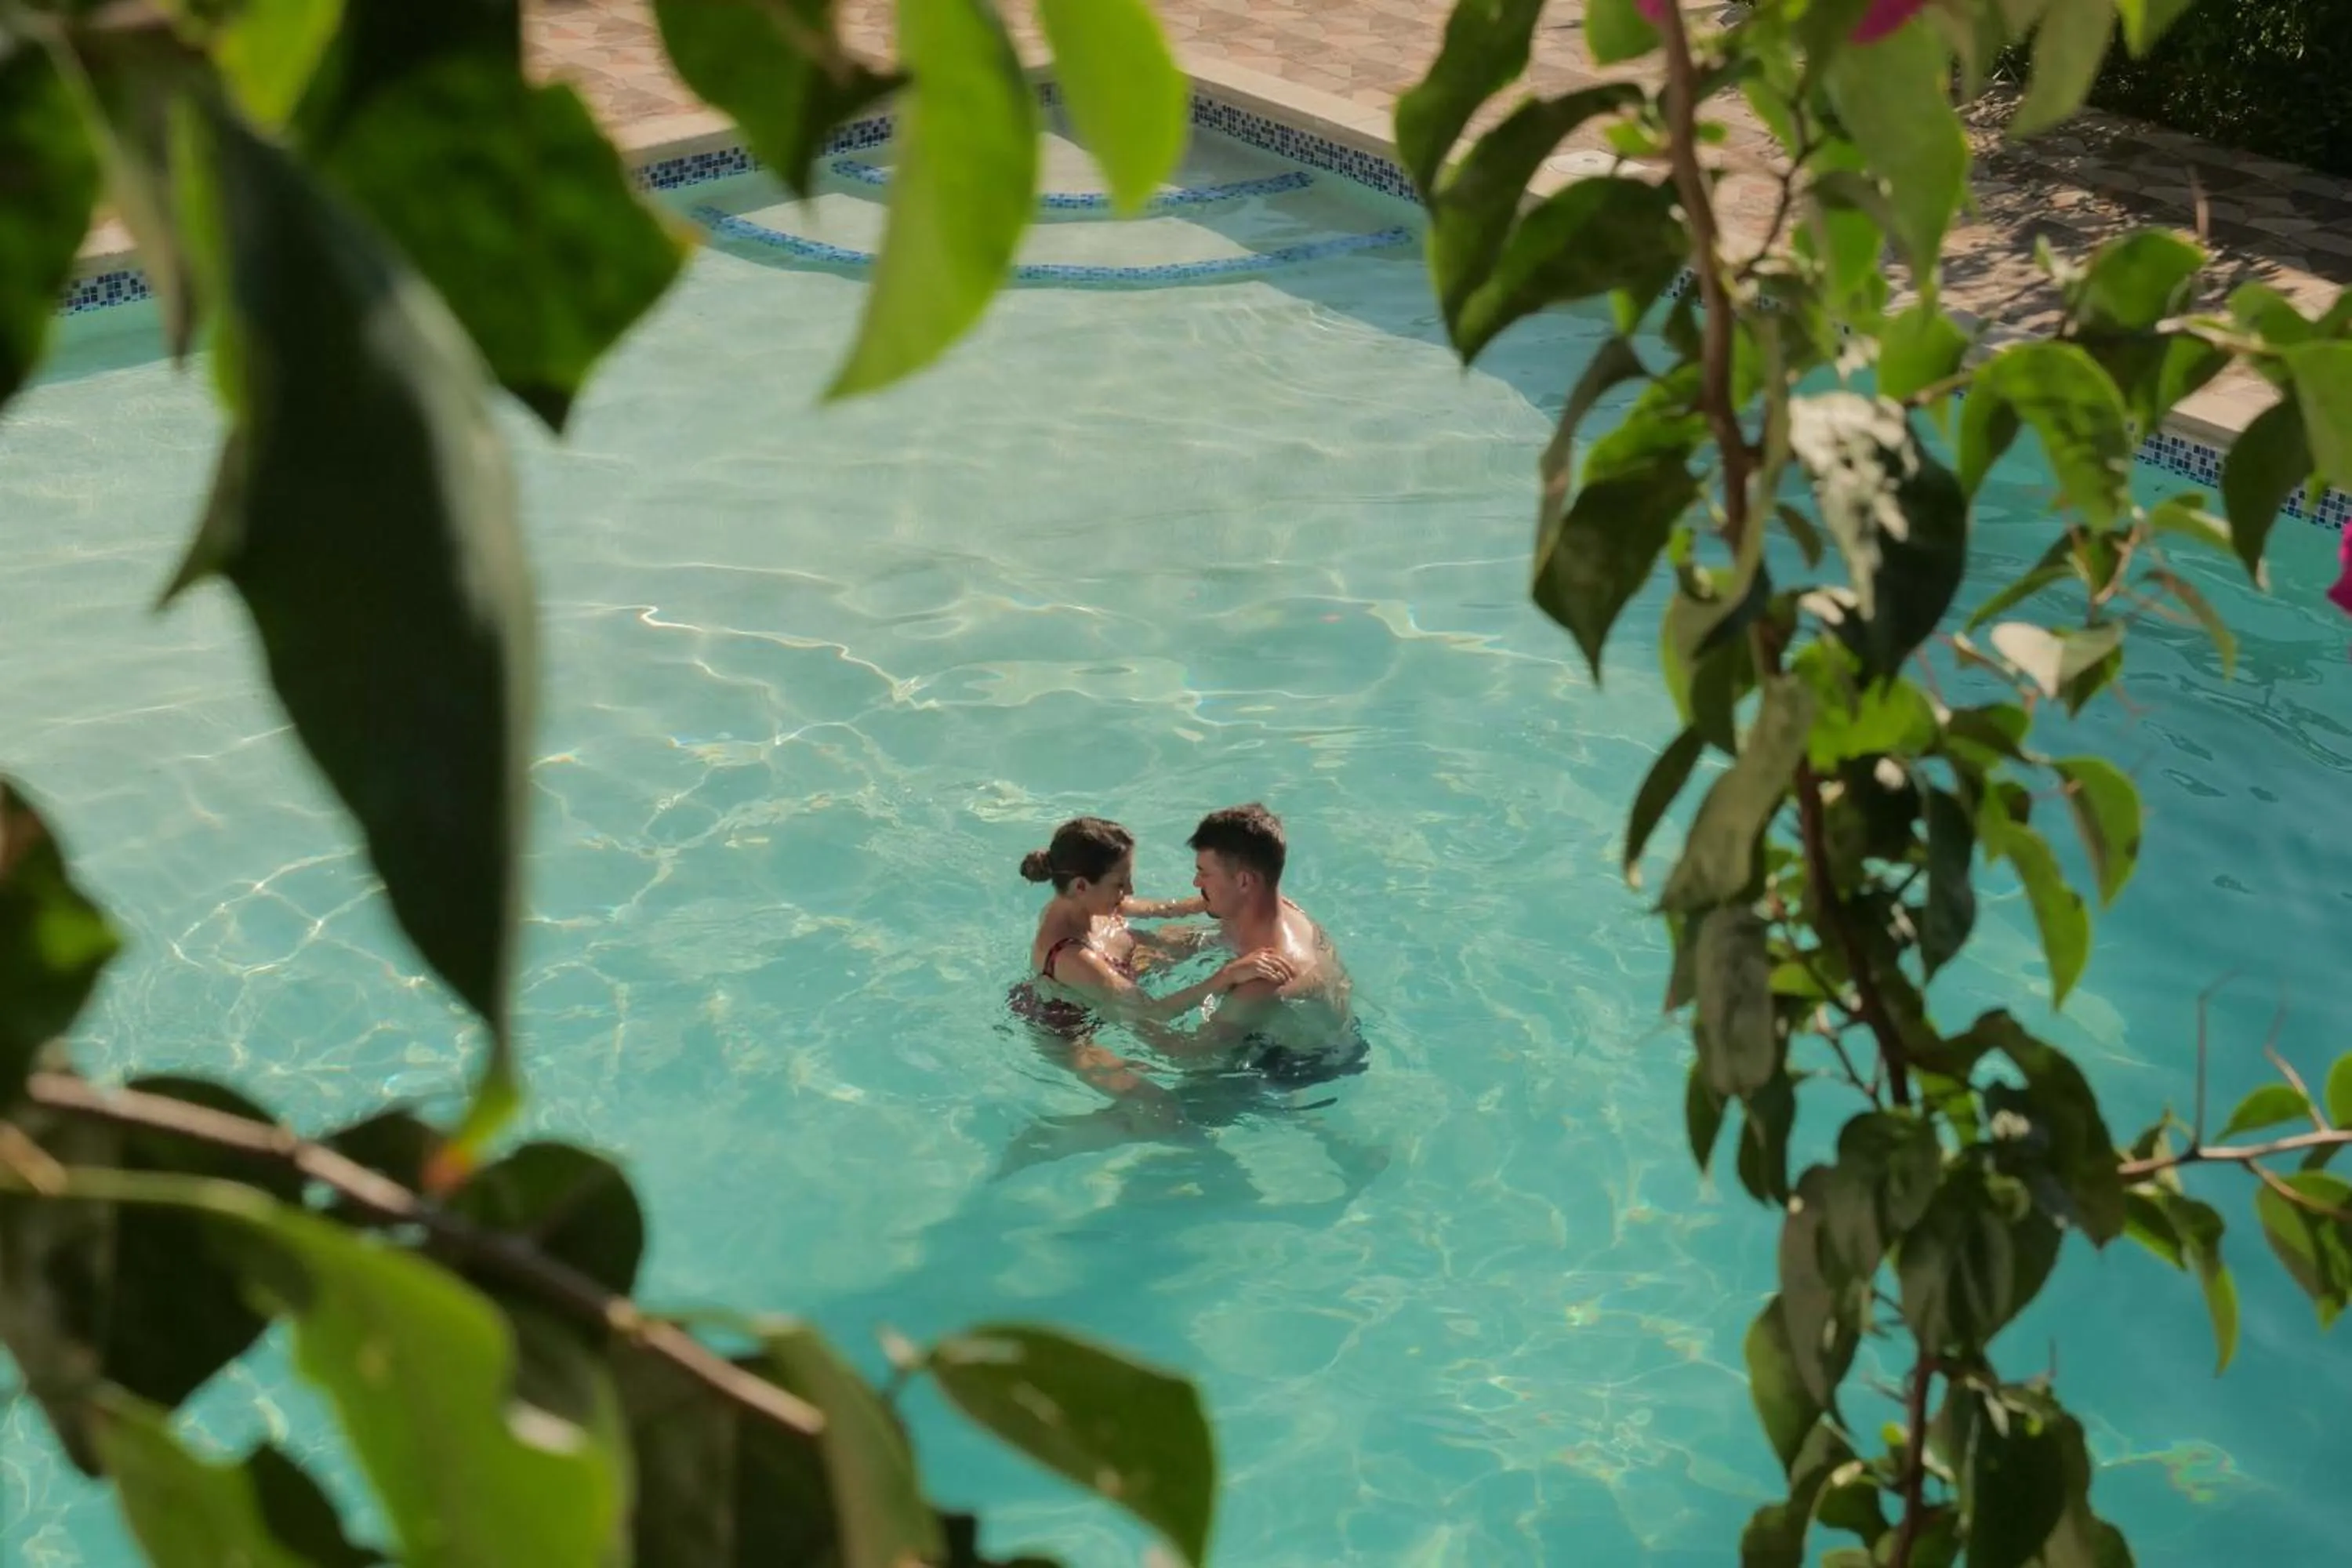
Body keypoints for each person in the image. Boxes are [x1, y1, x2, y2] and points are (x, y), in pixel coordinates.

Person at [1007, 815, 1292, 1097]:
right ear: (1081, 886)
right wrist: (1227, 976)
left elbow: (1166, 909)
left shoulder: (1087, 901)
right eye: (1120, 884)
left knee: (1199, 937)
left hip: (1110, 980)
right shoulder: (1071, 956)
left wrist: (1234, 900)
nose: (1129, 891)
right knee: (1159, 1105)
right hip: (1070, 1036)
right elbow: (1154, 1013)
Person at [1175, 802, 1370, 1087]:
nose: (1196, 882)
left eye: (1204, 873)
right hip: (1309, 1033)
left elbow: (1186, 1055)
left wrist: (1117, 1004)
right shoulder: (1274, 911)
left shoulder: (1266, 980)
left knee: (1155, 1106)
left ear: (1244, 881)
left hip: (1299, 1067)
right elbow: (1193, 938)